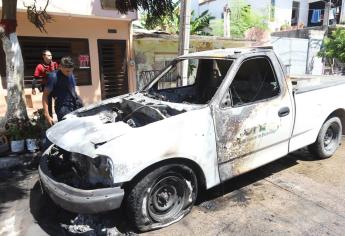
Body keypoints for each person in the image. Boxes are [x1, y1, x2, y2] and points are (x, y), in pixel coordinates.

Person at [42, 56, 81, 126]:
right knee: (67, 129)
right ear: (60, 67)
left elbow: (73, 90)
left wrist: (80, 102)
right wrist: (47, 114)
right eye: (67, 71)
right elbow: (45, 95)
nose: (70, 73)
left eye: (72, 70)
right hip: (62, 108)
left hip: (75, 105)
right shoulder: (53, 77)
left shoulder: (71, 74)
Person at [32, 50, 58, 116]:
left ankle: (61, 116)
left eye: (51, 55)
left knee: (59, 101)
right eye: (48, 55)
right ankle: (50, 119)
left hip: (56, 87)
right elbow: (35, 77)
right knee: (48, 104)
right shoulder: (40, 66)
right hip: (46, 87)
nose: (51, 57)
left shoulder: (55, 64)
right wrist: (33, 88)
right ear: (43, 56)